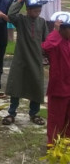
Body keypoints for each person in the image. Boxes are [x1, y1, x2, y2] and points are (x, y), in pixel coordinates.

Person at [2, 0, 48, 126]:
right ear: (28, 10)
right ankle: (11, 112)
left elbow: (46, 41)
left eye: (39, 10)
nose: (37, 13)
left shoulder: (42, 22)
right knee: (16, 84)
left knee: (36, 86)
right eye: (35, 10)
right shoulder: (21, 20)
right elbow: (10, 14)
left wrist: (46, 56)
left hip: (36, 59)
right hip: (21, 59)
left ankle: (34, 113)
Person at [42, 12, 70, 145]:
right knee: (56, 119)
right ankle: (53, 146)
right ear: (62, 29)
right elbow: (46, 47)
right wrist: (55, 32)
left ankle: (66, 143)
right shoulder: (55, 42)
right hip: (58, 88)